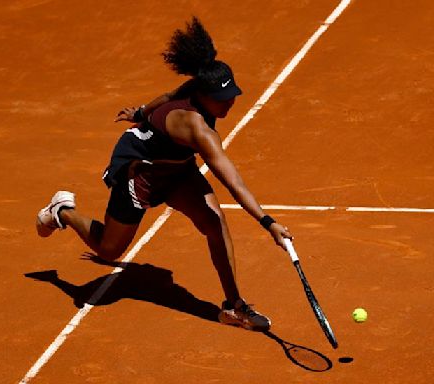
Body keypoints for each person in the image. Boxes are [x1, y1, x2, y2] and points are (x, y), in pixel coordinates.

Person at [36, 17, 292, 332]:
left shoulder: (194, 90)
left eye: (233, 95)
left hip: (176, 169)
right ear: (204, 94)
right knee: (109, 250)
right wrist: (268, 223)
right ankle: (62, 210)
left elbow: (167, 96)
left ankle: (233, 306)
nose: (230, 103)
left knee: (214, 223)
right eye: (223, 99)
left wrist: (142, 113)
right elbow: (232, 181)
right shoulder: (199, 131)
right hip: (140, 173)